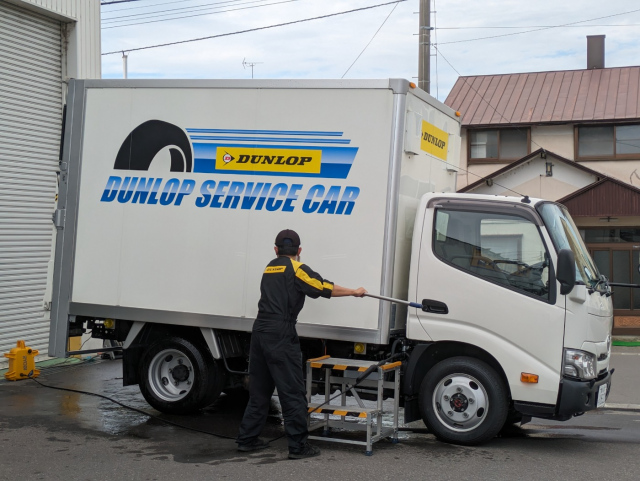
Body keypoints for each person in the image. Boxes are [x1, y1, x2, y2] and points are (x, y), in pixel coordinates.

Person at [236, 229, 367, 459]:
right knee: (292, 392)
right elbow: (323, 286)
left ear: (275, 249)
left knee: (259, 390)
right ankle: (298, 447)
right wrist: (354, 292)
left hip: (260, 332)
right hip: (280, 333)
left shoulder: (269, 267)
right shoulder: (297, 268)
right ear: (299, 250)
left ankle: (247, 439)